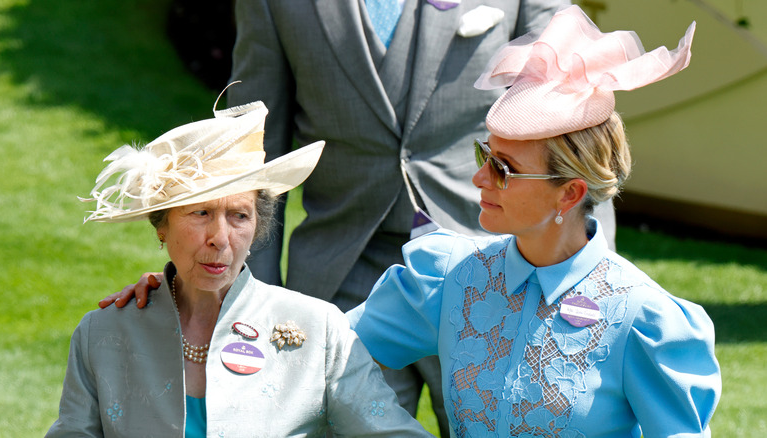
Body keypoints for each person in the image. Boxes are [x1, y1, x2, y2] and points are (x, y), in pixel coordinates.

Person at [225, 0, 621, 434]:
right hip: (342, 270)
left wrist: (591, 280)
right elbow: (253, 153)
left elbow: (579, 113)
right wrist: (245, 295)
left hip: (493, 271)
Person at [347, 5, 721, 436]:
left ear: (570, 193)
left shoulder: (643, 319)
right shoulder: (449, 277)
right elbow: (329, 352)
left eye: (503, 168)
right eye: (483, 155)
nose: (479, 178)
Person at [47, 100, 433, 437]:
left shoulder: (319, 329)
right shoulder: (103, 333)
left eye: (238, 215)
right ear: (161, 225)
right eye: (200, 213)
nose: (220, 237)